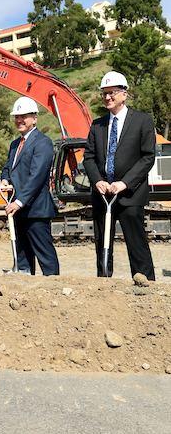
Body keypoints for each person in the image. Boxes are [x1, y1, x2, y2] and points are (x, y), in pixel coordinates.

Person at [83, 71, 156, 280]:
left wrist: (124, 183)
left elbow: (147, 157)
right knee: (102, 242)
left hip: (130, 194)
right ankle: (104, 281)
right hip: (103, 194)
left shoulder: (142, 121)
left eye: (112, 93)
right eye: (104, 93)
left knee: (136, 241)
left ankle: (145, 282)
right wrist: (98, 181)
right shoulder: (97, 125)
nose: (107, 97)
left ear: (124, 94)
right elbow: (88, 157)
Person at [0, 97, 59, 276]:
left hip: (36, 209)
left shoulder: (43, 142)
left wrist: (18, 202)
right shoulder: (14, 144)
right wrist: (4, 179)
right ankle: (24, 281)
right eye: (17, 117)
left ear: (34, 118)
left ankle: (53, 286)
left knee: (44, 253)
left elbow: (37, 177)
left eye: (24, 116)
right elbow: (8, 167)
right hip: (18, 209)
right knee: (22, 253)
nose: (19, 120)